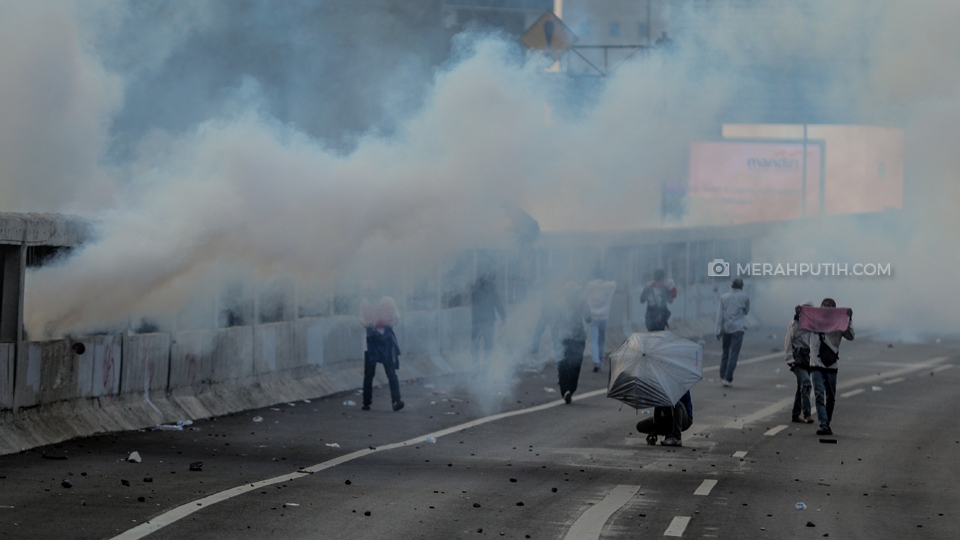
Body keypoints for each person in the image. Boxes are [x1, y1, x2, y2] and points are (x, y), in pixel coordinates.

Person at [810, 298, 854, 436]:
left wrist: (849, 319)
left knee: (830, 397)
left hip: (831, 365)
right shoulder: (813, 321)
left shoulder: (839, 322)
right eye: (824, 306)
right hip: (816, 364)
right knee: (819, 395)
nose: (827, 308)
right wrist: (798, 315)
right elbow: (800, 327)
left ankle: (826, 422)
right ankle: (823, 424)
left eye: (830, 306)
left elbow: (851, 336)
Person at [359, 282, 403, 412]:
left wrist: (390, 324)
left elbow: (396, 318)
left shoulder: (388, 301)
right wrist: (367, 324)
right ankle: (366, 402)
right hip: (371, 342)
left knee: (391, 373)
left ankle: (396, 401)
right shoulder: (364, 303)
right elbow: (361, 319)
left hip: (386, 341)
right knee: (369, 374)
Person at [555, 282, 590, 404]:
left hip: (567, 338)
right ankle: (569, 389)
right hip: (575, 338)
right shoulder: (579, 302)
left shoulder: (561, 303)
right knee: (573, 365)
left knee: (565, 365)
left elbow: (556, 322)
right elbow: (589, 318)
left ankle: (566, 390)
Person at [784, 301, 815, 423]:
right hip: (797, 358)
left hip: (809, 358)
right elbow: (789, 340)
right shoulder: (794, 323)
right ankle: (807, 414)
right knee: (806, 383)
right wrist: (790, 359)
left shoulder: (814, 325)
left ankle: (795, 414)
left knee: (801, 387)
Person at [716, 277, 749, 387]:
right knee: (733, 354)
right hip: (738, 329)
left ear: (732, 286)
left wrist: (718, 330)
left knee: (725, 353)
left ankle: (722, 376)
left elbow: (720, 315)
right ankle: (728, 378)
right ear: (741, 286)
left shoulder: (724, 297)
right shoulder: (745, 297)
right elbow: (746, 311)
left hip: (726, 328)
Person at [584, 275, 616, 372]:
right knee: (602, 341)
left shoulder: (590, 285)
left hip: (593, 316)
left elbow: (584, 296)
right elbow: (615, 283)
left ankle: (596, 361)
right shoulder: (610, 286)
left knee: (593, 340)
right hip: (604, 317)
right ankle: (601, 362)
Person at [470, 273, 505, 364]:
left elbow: (473, 303)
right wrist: (503, 317)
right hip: (488, 321)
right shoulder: (492, 289)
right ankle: (486, 366)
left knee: (475, 344)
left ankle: (475, 365)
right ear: (492, 280)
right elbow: (498, 304)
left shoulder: (475, 289)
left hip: (476, 321)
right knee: (488, 345)